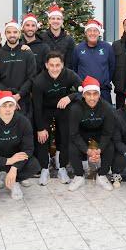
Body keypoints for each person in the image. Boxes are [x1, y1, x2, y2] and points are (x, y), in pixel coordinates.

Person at [0, 90, 40, 204]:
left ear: (15, 107)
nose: (8, 109)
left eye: (11, 105)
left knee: (33, 165)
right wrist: (7, 161)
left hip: (15, 160)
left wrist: (14, 168)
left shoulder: (23, 122)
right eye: (4, 106)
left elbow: (28, 149)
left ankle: (14, 181)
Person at [32, 50, 82, 186]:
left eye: (58, 65)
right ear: (46, 65)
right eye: (52, 65)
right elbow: (36, 107)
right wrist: (40, 128)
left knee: (65, 136)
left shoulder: (69, 74)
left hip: (63, 109)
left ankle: (62, 167)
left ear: (62, 65)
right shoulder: (39, 81)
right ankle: (44, 168)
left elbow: (83, 90)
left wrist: (70, 97)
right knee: (43, 138)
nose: (55, 68)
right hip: (45, 110)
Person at [67, 76, 116, 191]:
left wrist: (99, 150)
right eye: (88, 94)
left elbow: (107, 133)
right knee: (71, 146)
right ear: (83, 95)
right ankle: (79, 176)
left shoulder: (107, 108)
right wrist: (87, 150)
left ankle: (102, 175)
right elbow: (74, 134)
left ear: (99, 95)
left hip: (99, 137)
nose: (92, 98)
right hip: (82, 137)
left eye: (95, 94)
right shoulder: (75, 109)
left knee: (110, 146)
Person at [0, 19, 36, 118]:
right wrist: (8, 97)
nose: (12, 35)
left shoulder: (27, 53)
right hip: (3, 100)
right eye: (9, 32)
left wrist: (18, 95)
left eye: (15, 32)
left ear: (19, 33)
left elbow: (32, 77)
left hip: (23, 100)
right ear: (5, 34)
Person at [71, 19, 115, 103]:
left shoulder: (107, 48)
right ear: (85, 33)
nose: (92, 33)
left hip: (103, 92)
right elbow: (74, 68)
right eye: (89, 31)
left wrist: (104, 81)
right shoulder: (78, 49)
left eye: (95, 31)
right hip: (84, 91)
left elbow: (112, 68)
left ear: (99, 33)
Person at [39, 3, 75, 69]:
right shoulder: (41, 38)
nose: (55, 21)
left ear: (62, 21)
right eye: (53, 18)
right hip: (45, 76)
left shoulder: (69, 40)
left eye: (58, 19)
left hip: (64, 77)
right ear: (49, 21)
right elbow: (40, 61)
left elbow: (70, 63)